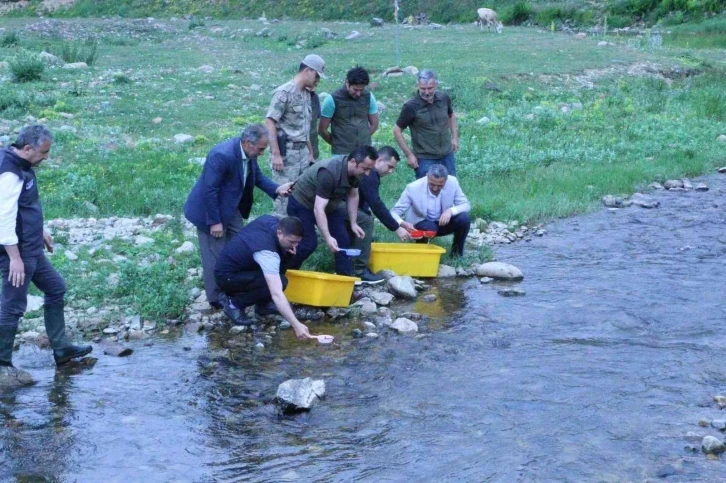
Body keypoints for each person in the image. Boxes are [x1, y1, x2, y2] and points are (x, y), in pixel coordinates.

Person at [0, 125, 92, 371]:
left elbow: (23, 206)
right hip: (18, 252)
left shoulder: (23, 165)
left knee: (56, 288)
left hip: (31, 246)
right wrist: (14, 259)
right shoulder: (10, 173)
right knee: (13, 306)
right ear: (27, 148)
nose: (46, 157)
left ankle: (61, 348)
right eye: (43, 152)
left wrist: (38, 229)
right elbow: (4, 217)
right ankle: (3, 363)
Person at [184, 124, 293, 310]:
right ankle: (217, 298)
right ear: (248, 143)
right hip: (209, 211)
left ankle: (243, 292)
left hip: (230, 207)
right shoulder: (221, 155)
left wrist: (276, 189)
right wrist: (215, 222)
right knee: (215, 255)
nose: (262, 153)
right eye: (261, 149)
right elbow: (210, 190)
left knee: (242, 248)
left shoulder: (248, 154)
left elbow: (256, 176)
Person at [215, 215, 312, 339]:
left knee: (281, 271)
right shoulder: (267, 253)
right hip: (227, 276)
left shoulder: (271, 221)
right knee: (279, 282)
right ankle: (233, 305)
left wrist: (288, 251)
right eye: (291, 242)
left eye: (298, 242)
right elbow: (276, 293)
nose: (295, 246)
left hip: (245, 266)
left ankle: (263, 305)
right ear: (279, 232)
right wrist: (296, 325)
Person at [286, 145, 377, 276]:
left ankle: (345, 282)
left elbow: (353, 195)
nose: (367, 173)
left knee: (342, 240)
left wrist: (353, 223)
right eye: (365, 168)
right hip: (302, 203)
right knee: (308, 243)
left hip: (329, 204)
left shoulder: (356, 172)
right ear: (353, 162)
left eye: (370, 169)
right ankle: (284, 273)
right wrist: (328, 237)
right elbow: (318, 209)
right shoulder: (328, 173)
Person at [266, 53, 327, 215]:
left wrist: (311, 153)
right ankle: (279, 235)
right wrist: (276, 154)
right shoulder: (284, 93)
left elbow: (305, 128)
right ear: (307, 71)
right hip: (286, 154)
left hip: (303, 154)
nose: (317, 80)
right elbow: (270, 121)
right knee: (283, 200)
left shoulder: (307, 95)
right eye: (316, 75)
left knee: (303, 196)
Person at [345, 146, 413, 283]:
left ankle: (350, 265)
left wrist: (399, 223)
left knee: (365, 217)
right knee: (366, 221)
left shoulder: (370, 174)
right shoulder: (370, 175)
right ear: (379, 160)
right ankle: (359, 270)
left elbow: (366, 200)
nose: (391, 171)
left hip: (341, 203)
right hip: (336, 204)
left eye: (393, 168)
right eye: (389, 166)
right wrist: (396, 228)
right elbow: (376, 204)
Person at [390, 164, 471, 256]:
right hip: (422, 224)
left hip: (443, 222)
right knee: (429, 227)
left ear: (446, 180)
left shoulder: (452, 182)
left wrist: (450, 211)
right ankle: (422, 253)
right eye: (432, 184)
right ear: (427, 176)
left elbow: (466, 205)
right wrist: (402, 223)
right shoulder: (413, 188)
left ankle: (456, 253)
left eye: (440, 185)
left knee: (464, 218)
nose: (435, 188)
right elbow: (394, 212)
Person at [392, 69, 459, 179]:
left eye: (430, 88)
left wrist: (455, 138)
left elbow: (451, 115)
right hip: (425, 159)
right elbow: (397, 130)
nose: (426, 92)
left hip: (447, 155)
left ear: (436, 85)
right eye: (423, 88)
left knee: (450, 188)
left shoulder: (443, 98)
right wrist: (409, 154)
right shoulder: (410, 106)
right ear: (418, 85)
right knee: (426, 191)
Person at [318, 66, 379, 155]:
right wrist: (337, 143)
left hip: (364, 152)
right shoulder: (332, 99)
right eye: (355, 89)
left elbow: (374, 125)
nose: (358, 94)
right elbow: (322, 130)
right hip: (340, 154)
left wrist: (363, 138)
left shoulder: (369, 97)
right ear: (347, 83)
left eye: (361, 90)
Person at [308, 77, 322, 162]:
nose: (313, 87)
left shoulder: (314, 97)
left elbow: (317, 121)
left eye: (316, 85)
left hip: (313, 148)